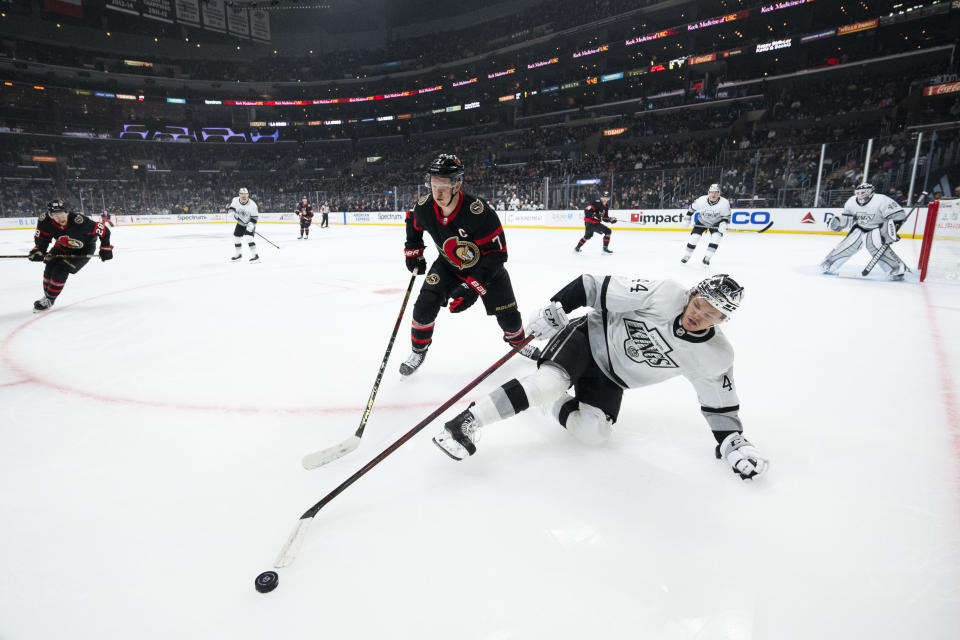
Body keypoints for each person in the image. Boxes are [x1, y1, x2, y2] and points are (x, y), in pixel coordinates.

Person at [432, 273, 769, 481]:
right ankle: (467, 421)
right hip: (587, 338)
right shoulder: (666, 294)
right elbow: (592, 286)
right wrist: (558, 306)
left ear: (723, 320)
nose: (698, 315)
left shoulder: (715, 356)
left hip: (611, 378)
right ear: (692, 294)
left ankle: (549, 403)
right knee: (548, 382)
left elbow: (720, 405)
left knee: (593, 433)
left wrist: (732, 443)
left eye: (712, 314)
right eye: (699, 304)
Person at [401, 154, 536, 376]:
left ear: (457, 184)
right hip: (448, 265)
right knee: (424, 306)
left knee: (510, 318)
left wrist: (473, 287)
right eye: (434, 185)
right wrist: (413, 251)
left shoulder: (478, 212)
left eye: (444, 185)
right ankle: (419, 351)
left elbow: (497, 255)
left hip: (486, 271)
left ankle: (518, 342)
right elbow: (413, 222)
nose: (438, 192)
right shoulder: (425, 207)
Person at [28, 199, 113, 312]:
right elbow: (42, 238)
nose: (60, 219)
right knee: (50, 266)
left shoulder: (80, 221)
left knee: (61, 269)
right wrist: (39, 250)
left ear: (67, 212)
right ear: (50, 216)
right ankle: (47, 297)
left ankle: (49, 299)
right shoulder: (45, 221)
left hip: (83, 249)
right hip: (61, 246)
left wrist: (105, 248)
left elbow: (104, 231)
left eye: (62, 215)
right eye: (55, 216)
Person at [820, 183, 908, 280]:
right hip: (860, 227)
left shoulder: (881, 200)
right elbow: (847, 219)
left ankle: (896, 269)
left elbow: (899, 215)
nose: (861, 194)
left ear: (871, 192)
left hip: (877, 227)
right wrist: (838, 222)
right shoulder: (851, 201)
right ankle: (829, 263)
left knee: (876, 247)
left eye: (864, 192)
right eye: (859, 192)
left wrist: (892, 230)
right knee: (847, 245)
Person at [681, 183, 731, 265]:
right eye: (712, 192)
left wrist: (723, 223)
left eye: (716, 192)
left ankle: (707, 257)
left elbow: (726, 216)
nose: (713, 194)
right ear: (709, 193)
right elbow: (692, 209)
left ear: (719, 193)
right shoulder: (701, 200)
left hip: (716, 223)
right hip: (702, 221)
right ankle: (687, 255)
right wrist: (687, 218)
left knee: (716, 238)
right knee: (694, 238)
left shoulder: (724, 203)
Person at [228, 187, 260, 263]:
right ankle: (238, 255)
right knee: (236, 238)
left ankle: (255, 256)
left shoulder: (252, 205)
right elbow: (231, 208)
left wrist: (251, 224)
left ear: (248, 195)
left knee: (249, 238)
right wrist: (231, 213)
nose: (243, 196)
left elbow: (255, 217)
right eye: (242, 194)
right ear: (239, 195)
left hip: (249, 223)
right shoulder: (235, 200)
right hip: (240, 223)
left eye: (245, 194)